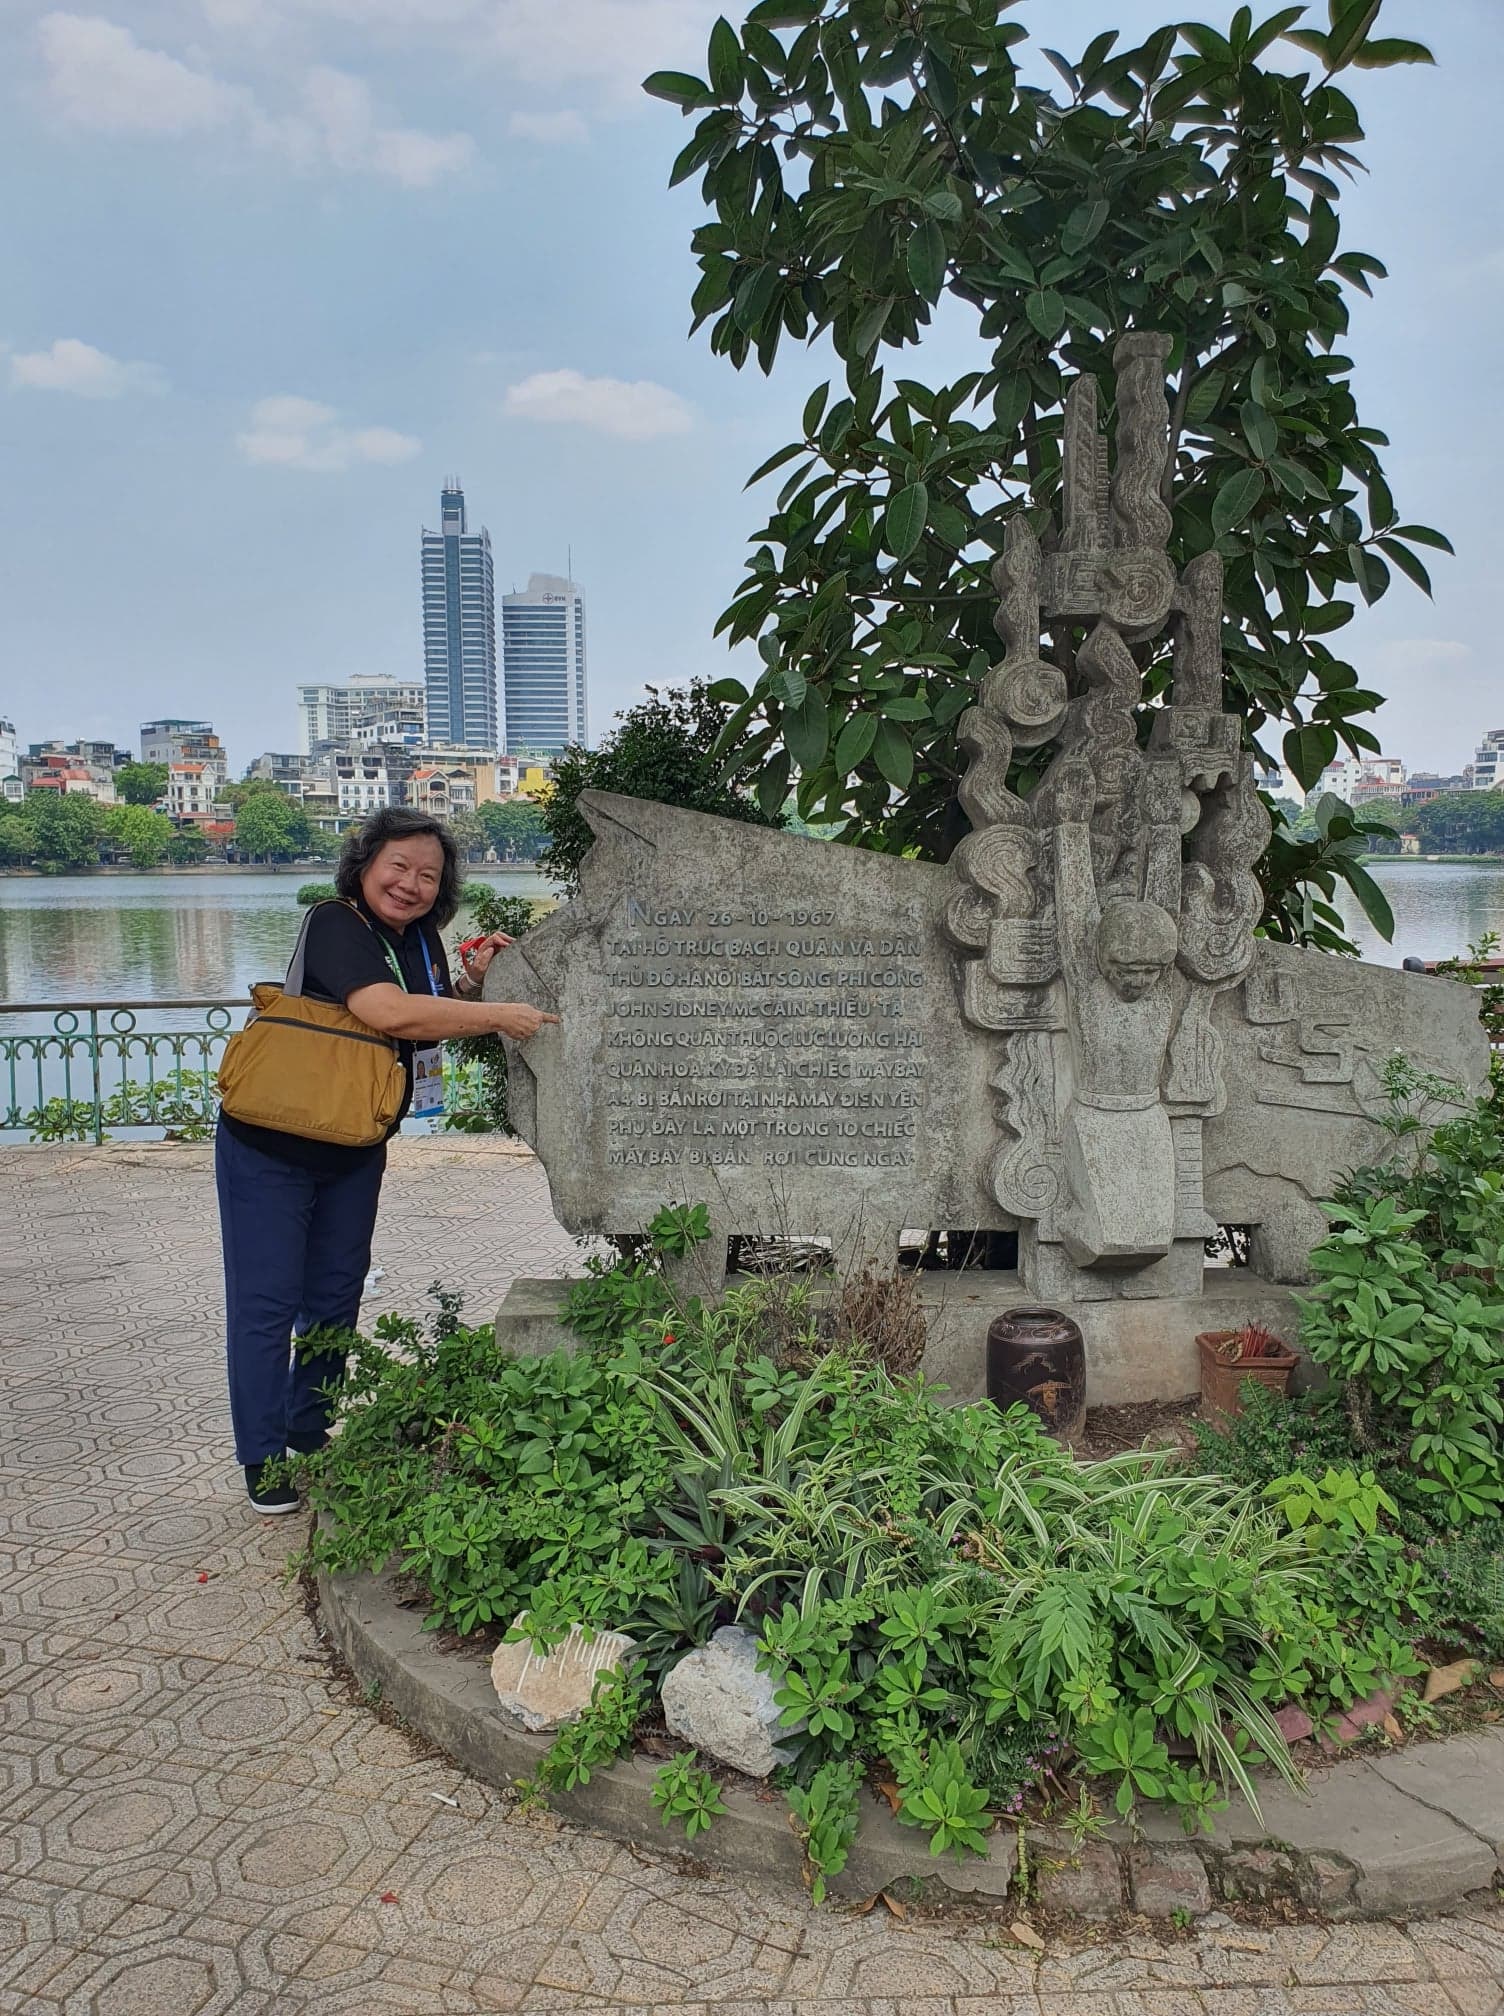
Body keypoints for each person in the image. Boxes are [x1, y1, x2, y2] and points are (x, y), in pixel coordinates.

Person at [215, 807, 557, 1513]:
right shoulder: (335, 923)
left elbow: (430, 1010)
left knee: (335, 1294)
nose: (411, 884)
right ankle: (262, 1458)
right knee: (267, 1302)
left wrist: (476, 984)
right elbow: (390, 1014)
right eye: (397, 866)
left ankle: (310, 1432)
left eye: (428, 875)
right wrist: (502, 1015)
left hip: (354, 1142)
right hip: (271, 1145)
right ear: (364, 865)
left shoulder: (422, 938)